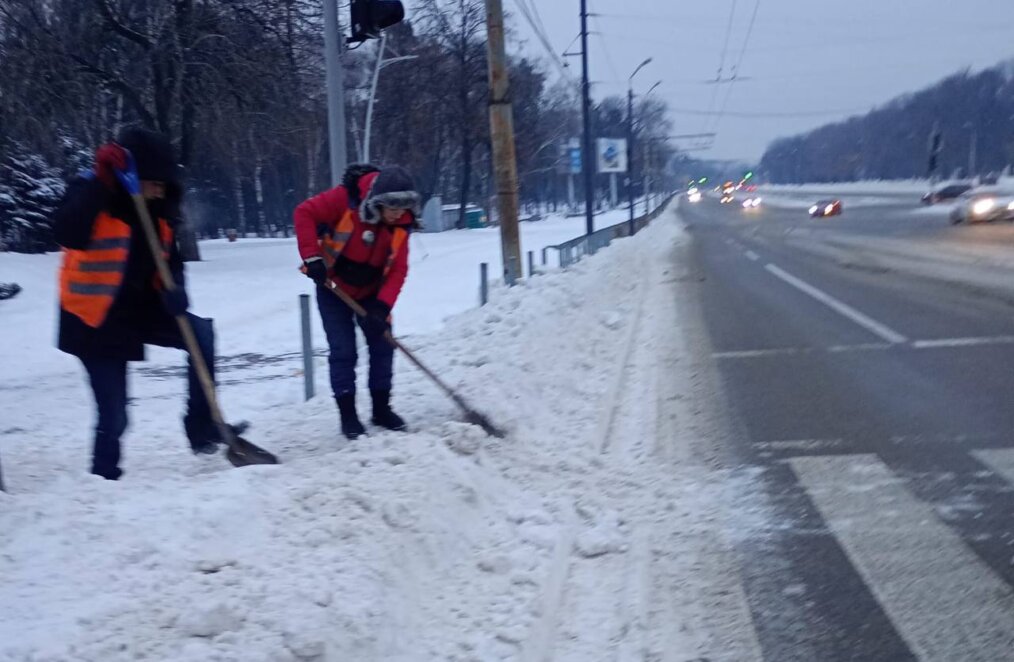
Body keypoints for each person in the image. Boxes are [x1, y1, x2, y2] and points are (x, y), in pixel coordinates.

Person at [54, 128, 224, 480]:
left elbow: (171, 261)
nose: (160, 190)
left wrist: (177, 290)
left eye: (165, 185)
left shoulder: (159, 212)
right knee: (115, 415)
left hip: (139, 310)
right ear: (134, 176)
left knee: (201, 334)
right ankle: (103, 477)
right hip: (93, 318)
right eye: (154, 182)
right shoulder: (89, 192)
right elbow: (68, 231)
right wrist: (102, 183)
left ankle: (202, 428)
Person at [294, 164, 420, 440]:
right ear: (378, 202)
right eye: (393, 208)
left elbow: (398, 269)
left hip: (373, 291)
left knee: (383, 342)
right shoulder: (344, 199)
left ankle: (381, 409)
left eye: (404, 208)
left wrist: (382, 307)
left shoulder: (401, 223)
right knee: (343, 350)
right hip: (334, 287)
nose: (399, 214)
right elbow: (304, 213)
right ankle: (348, 416)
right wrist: (312, 257)